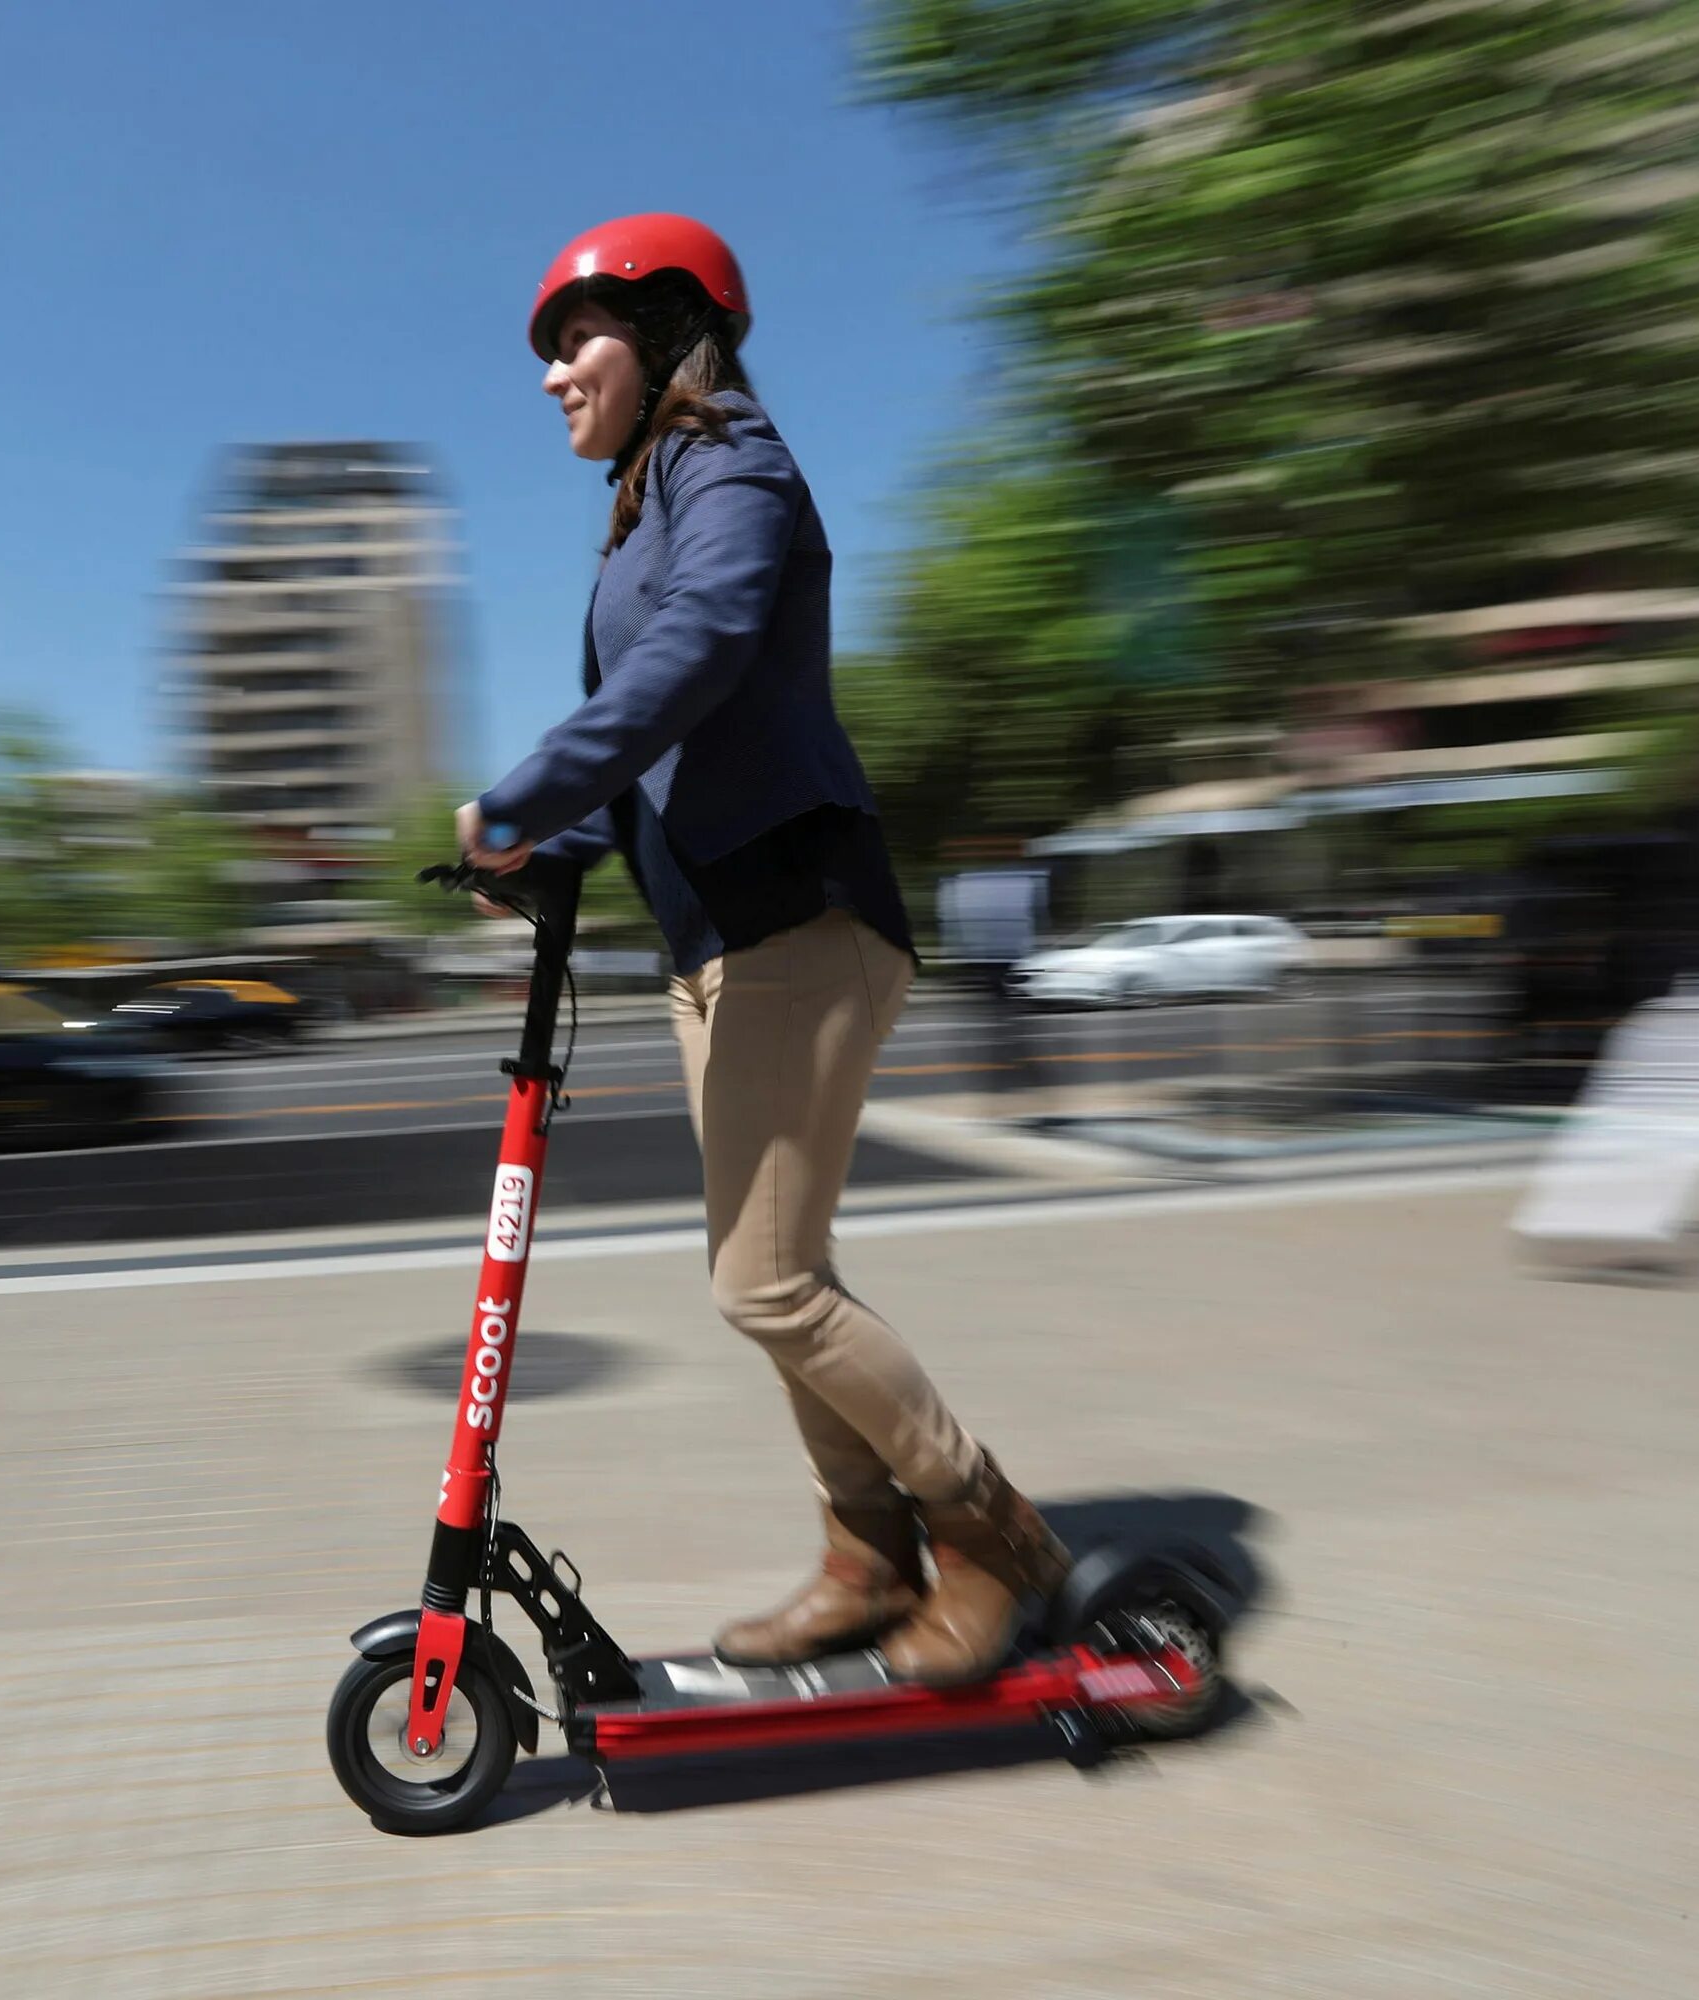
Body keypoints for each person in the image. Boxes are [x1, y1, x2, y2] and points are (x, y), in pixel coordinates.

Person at [458, 214, 1071, 1685]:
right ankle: (868, 1556)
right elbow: (648, 757)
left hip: (799, 917)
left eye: (577, 341)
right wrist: (554, 849)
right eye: (546, 352)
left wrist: (518, 794)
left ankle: (995, 1539)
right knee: (774, 1273)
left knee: (766, 1286)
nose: (552, 376)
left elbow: (707, 649)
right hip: (717, 945)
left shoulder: (729, 459)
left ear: (670, 332)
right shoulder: (641, 502)